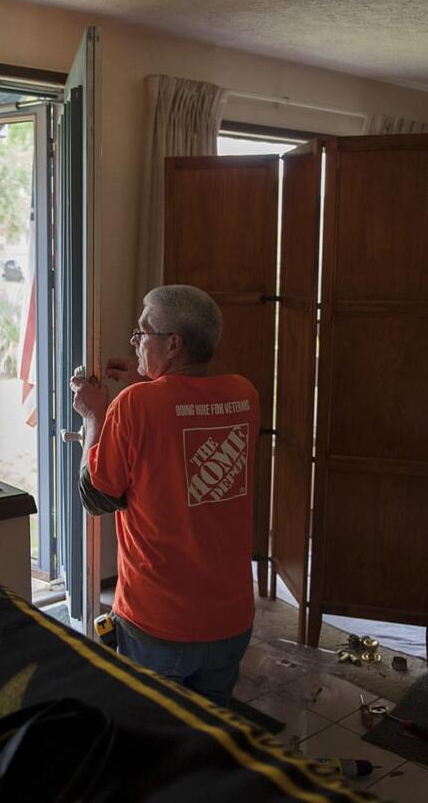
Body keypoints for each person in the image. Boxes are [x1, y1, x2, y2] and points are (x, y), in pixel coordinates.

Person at [69, 284, 259, 707]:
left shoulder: (134, 405)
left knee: (153, 735)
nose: (135, 342)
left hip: (159, 625)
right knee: (208, 730)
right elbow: (183, 417)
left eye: (143, 333)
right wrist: (146, 379)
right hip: (231, 623)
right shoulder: (245, 395)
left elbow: (97, 497)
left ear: (173, 344)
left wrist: (94, 417)